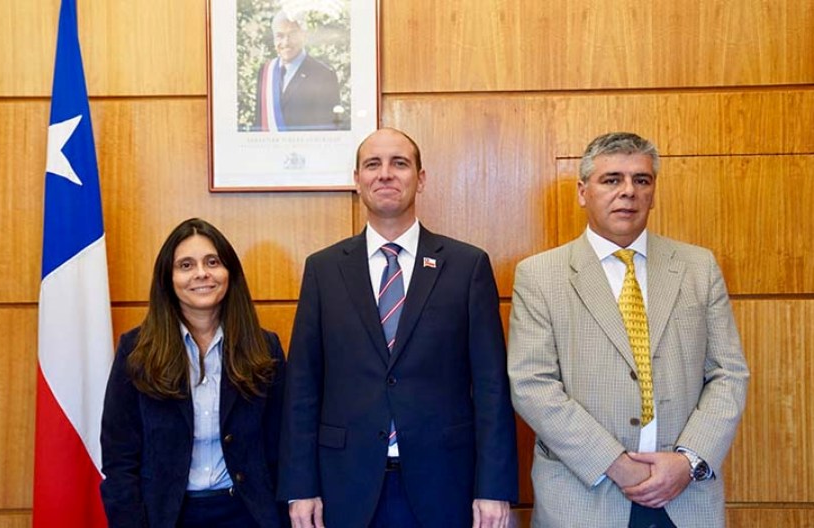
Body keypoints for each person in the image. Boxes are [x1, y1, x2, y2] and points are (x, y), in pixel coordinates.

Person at [507, 132, 750, 528]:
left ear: (653, 192)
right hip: (583, 497)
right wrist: (616, 464)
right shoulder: (540, 275)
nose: (628, 192)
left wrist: (688, 461)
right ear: (583, 192)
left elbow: (729, 373)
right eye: (611, 180)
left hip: (684, 498)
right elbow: (532, 384)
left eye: (641, 180)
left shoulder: (697, 267)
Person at [278, 128, 518, 528]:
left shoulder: (466, 266)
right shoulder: (323, 269)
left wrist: (493, 487)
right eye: (373, 164)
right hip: (345, 483)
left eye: (399, 163)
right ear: (357, 180)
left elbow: (491, 386)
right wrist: (300, 486)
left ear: (420, 178)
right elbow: (303, 386)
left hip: (445, 482)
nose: (385, 174)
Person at [100, 218, 289, 528]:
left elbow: (282, 448)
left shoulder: (264, 347)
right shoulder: (136, 351)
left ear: (229, 273)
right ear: (168, 278)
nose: (201, 273)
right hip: (166, 516)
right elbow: (119, 459)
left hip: (247, 513)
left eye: (212, 262)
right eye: (185, 265)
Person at [253, 10, 342, 132]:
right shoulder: (265, 72)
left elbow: (329, 130)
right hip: (270, 150)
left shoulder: (323, 75)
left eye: (292, 34)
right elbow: (259, 125)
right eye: (280, 36)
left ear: (304, 35)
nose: (286, 42)